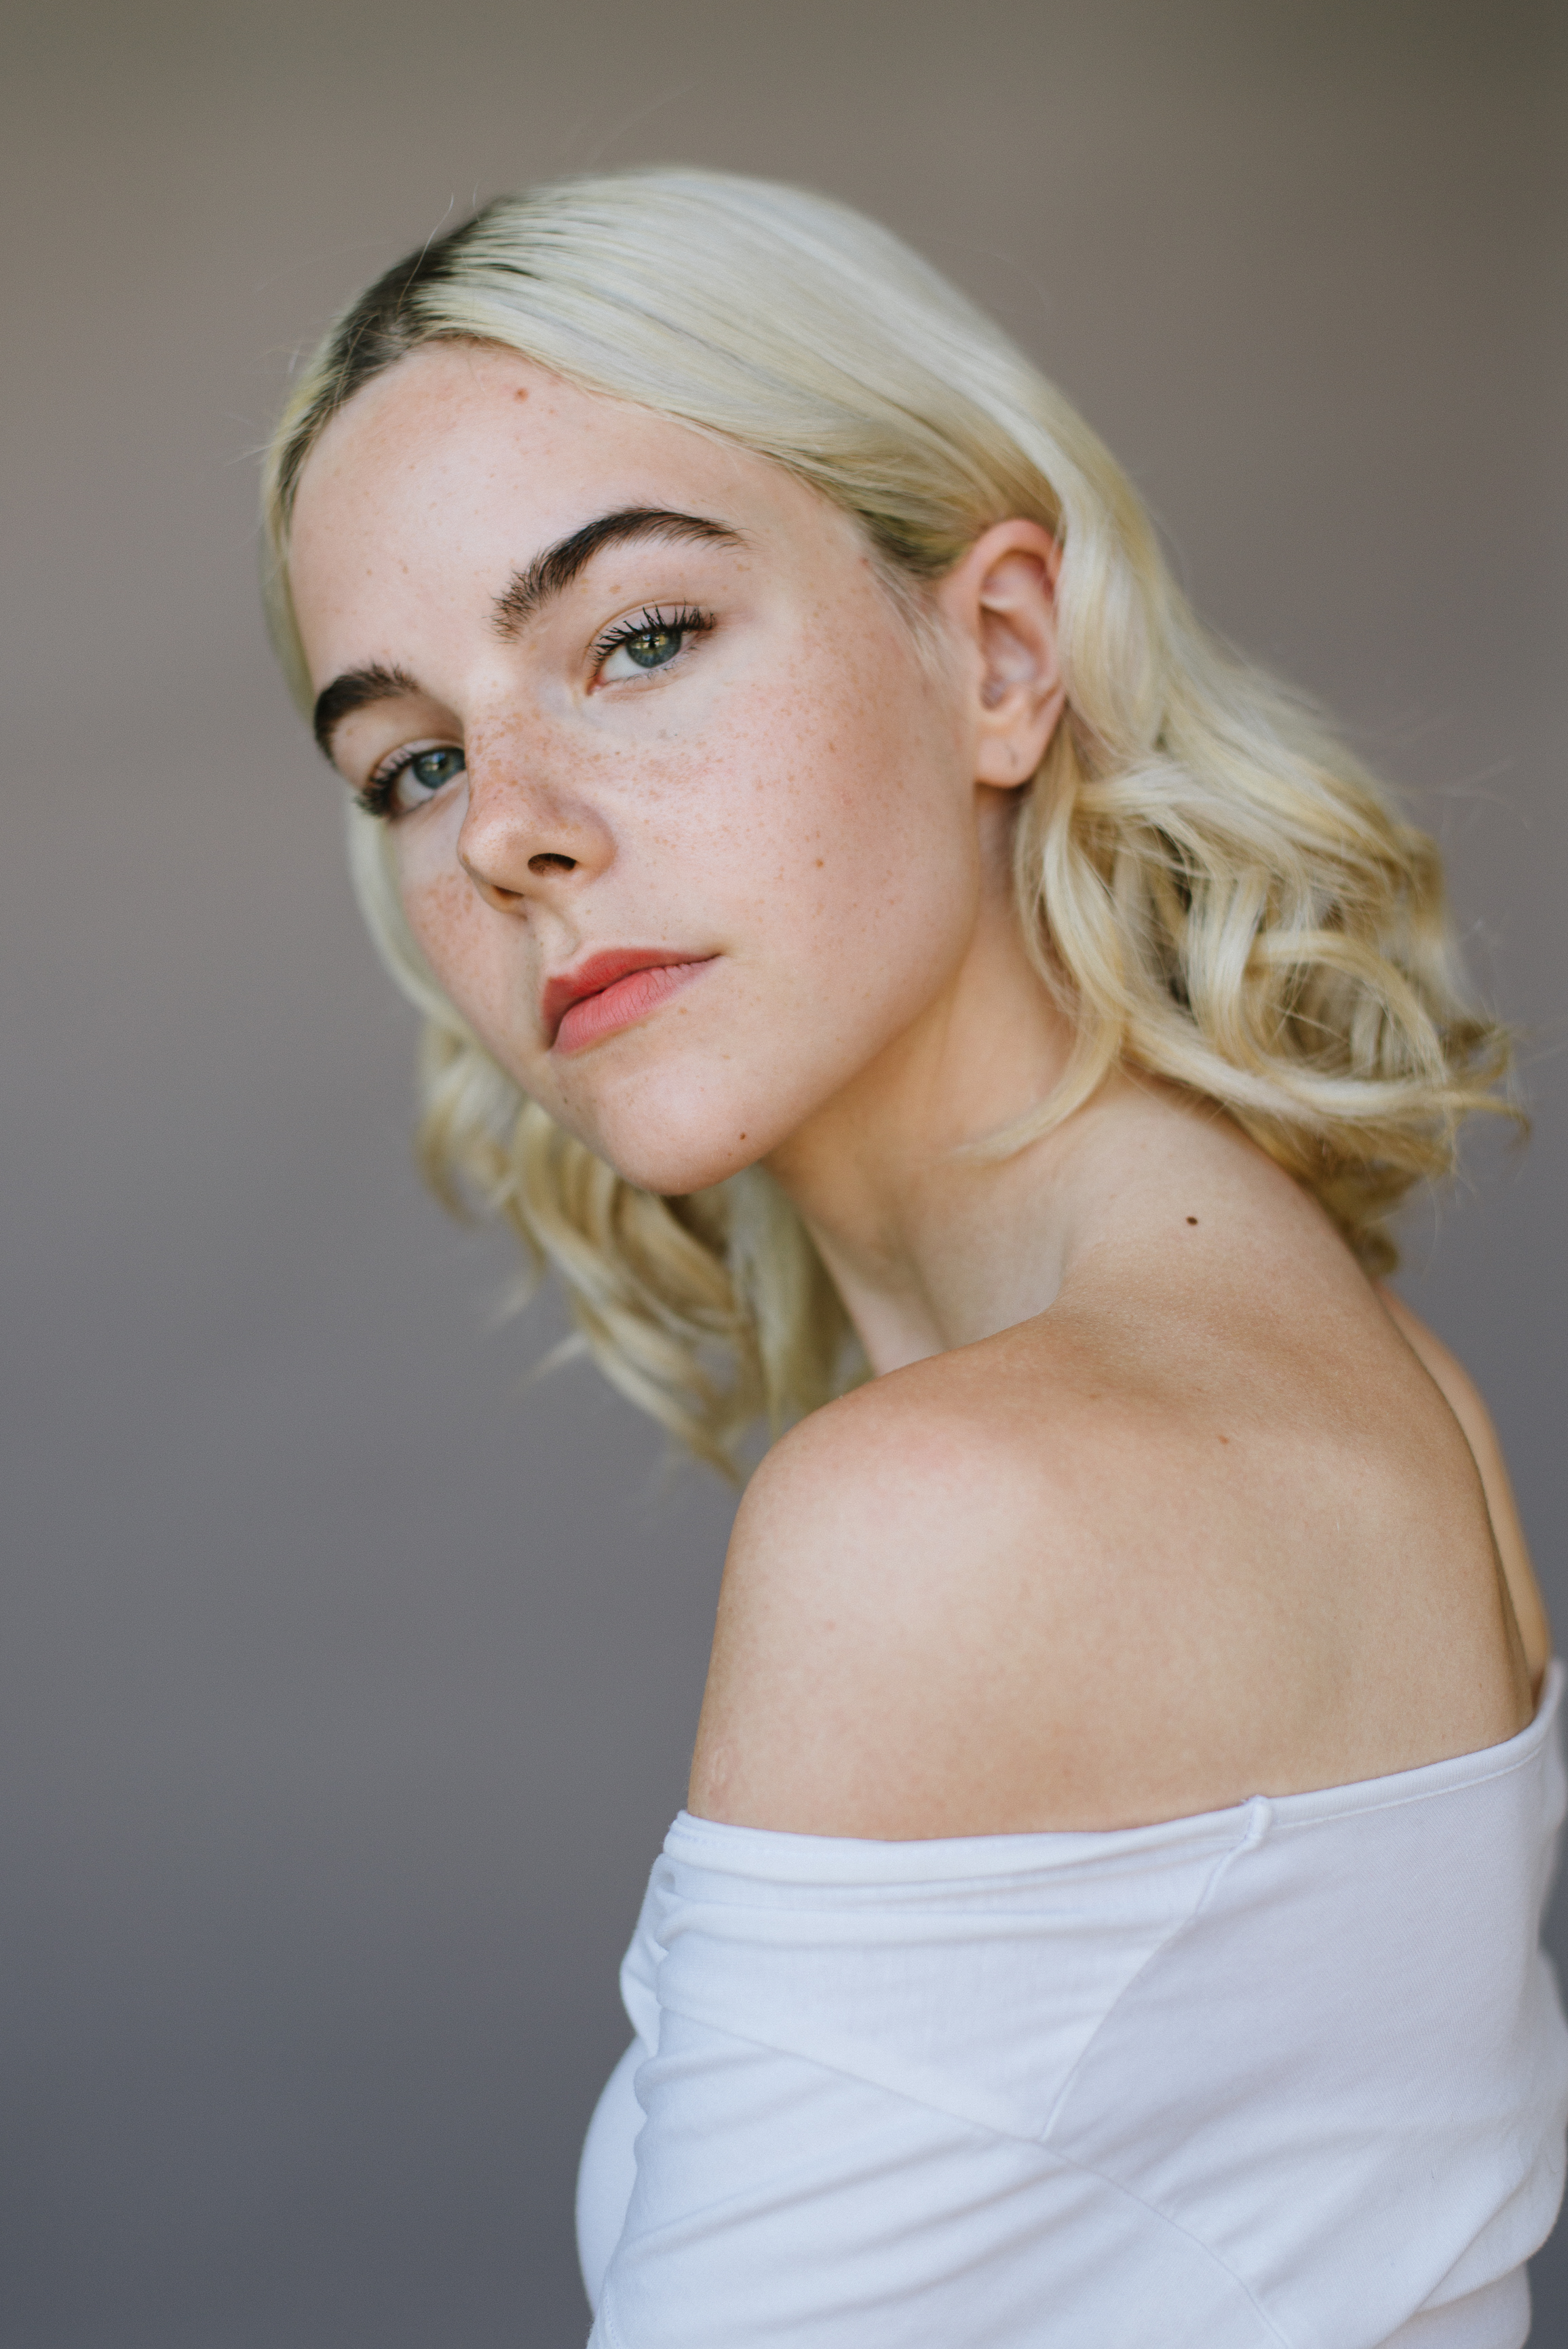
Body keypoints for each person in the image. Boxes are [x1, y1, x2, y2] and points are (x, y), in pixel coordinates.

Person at [261, 169, 1565, 2346]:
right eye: (412, 761)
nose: (506, 828)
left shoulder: (957, 1511)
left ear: (999, 656)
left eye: (640, 638)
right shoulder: (1369, 1386)